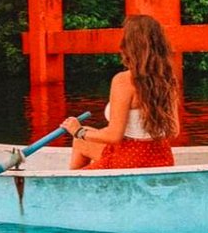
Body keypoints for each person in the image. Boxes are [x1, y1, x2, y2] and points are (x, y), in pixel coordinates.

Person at [62, 14, 179, 170]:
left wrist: (77, 130)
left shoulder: (124, 81)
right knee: (81, 140)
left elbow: (114, 136)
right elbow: (174, 131)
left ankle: (73, 186)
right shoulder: (167, 78)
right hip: (161, 158)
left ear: (129, 45)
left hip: (128, 160)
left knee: (80, 137)